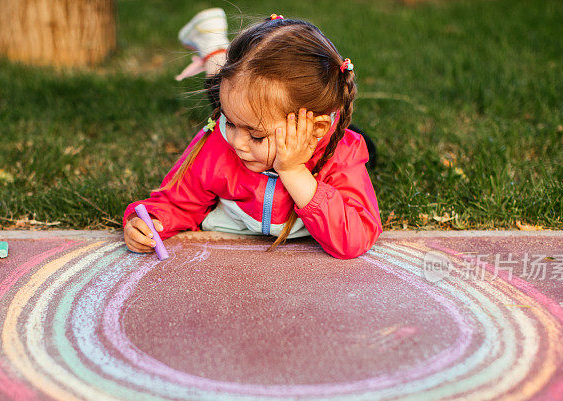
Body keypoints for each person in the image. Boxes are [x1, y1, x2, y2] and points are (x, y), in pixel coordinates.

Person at [123, 13, 382, 260]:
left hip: (320, 133)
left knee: (368, 147)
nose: (236, 142)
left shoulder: (340, 155)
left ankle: (214, 49)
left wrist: (293, 171)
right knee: (233, 98)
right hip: (255, 107)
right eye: (229, 122)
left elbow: (355, 236)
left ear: (316, 129)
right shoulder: (220, 141)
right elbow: (175, 201)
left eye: (256, 136)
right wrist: (151, 222)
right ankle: (215, 55)